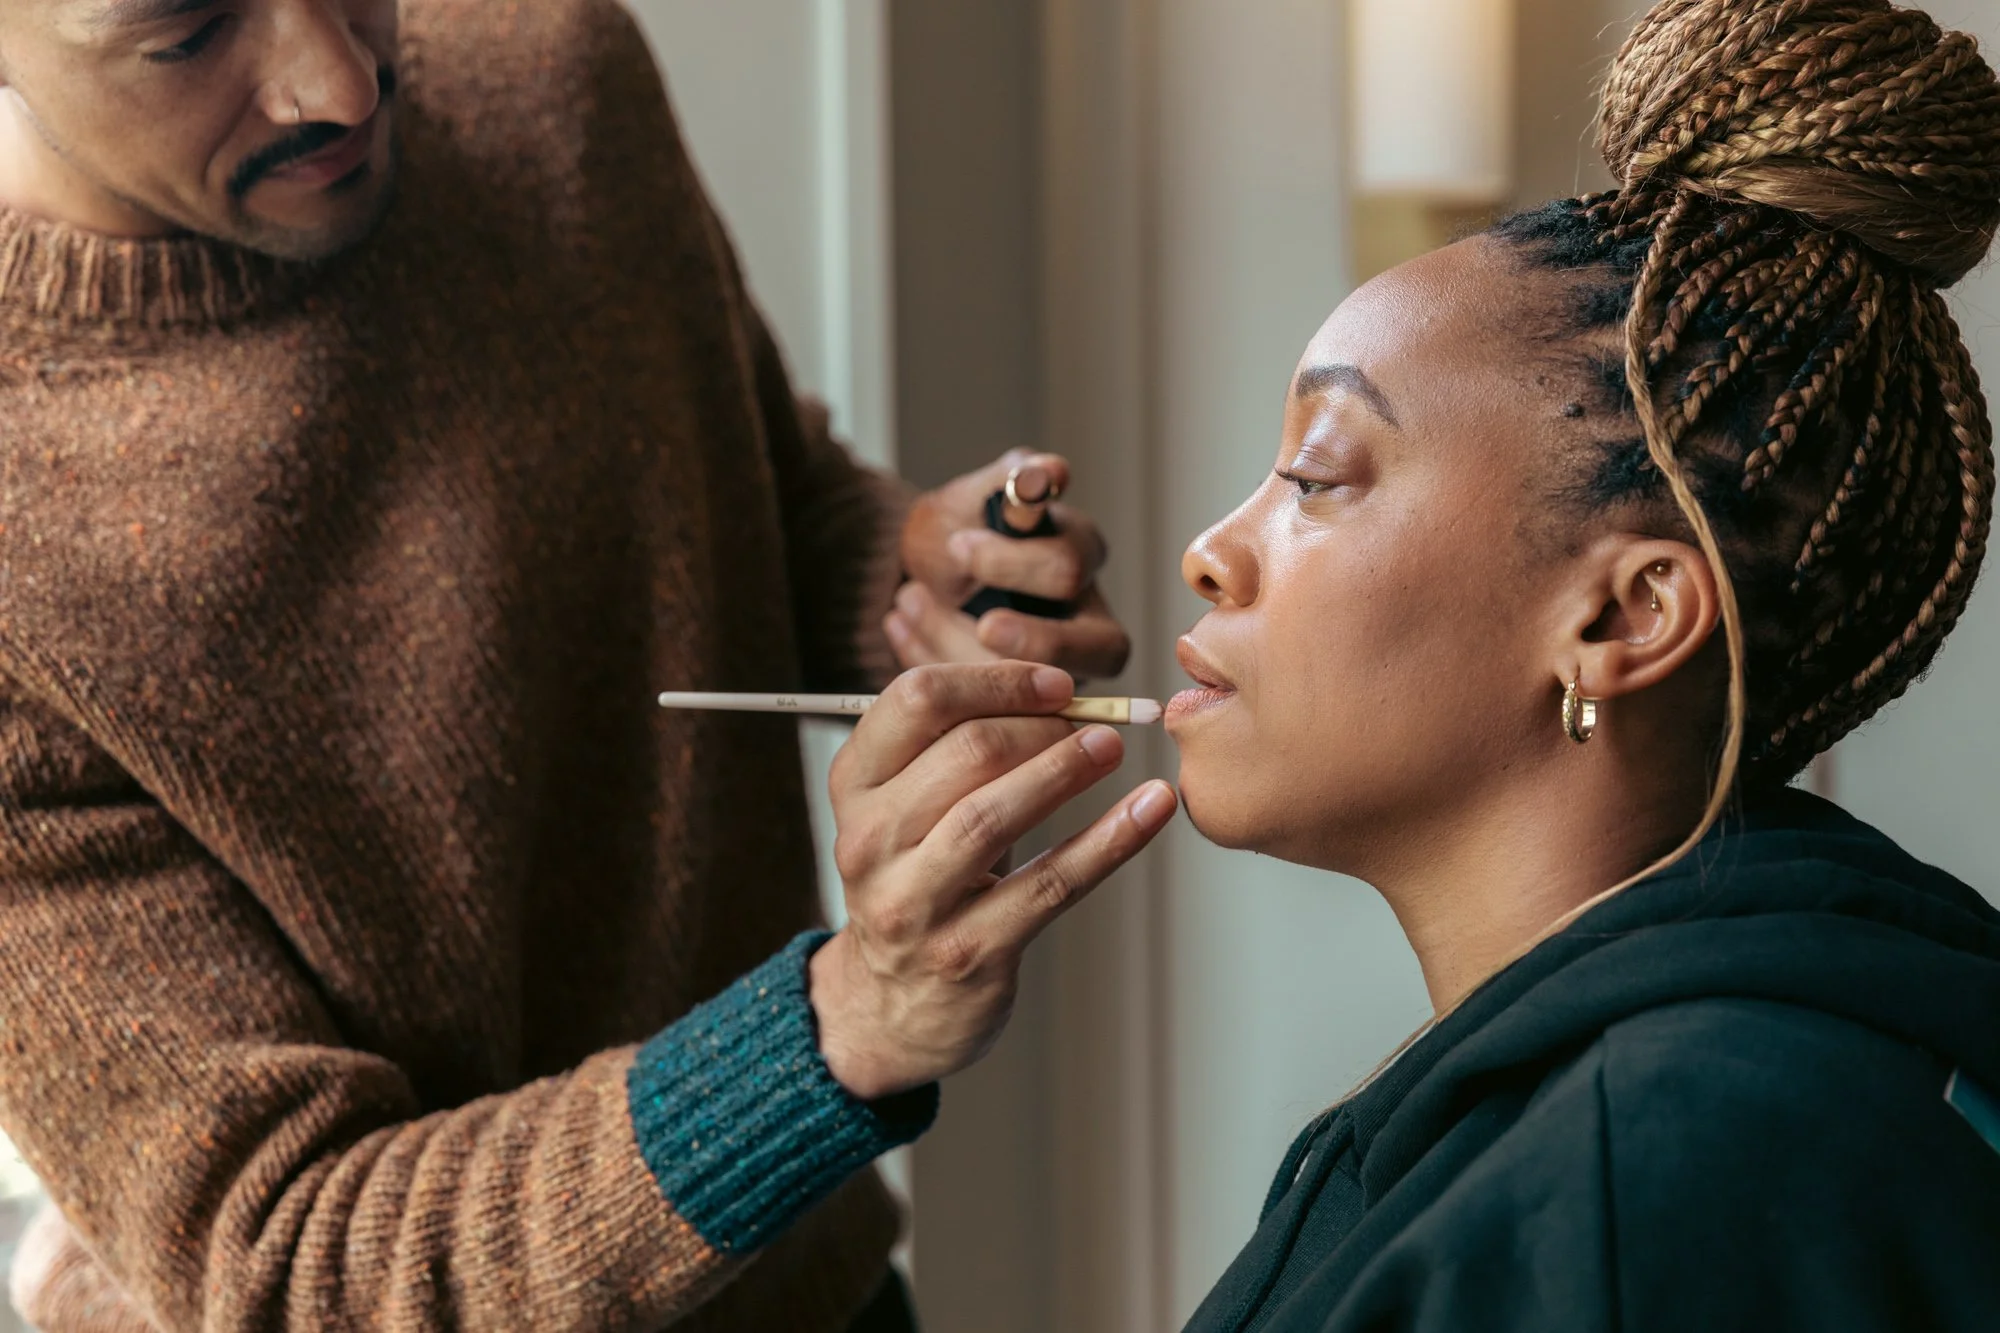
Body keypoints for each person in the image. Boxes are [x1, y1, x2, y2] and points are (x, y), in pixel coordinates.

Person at [0, 0, 1159, 1328]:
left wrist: (917, 595)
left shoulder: (547, 63)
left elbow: (736, 489)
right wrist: (841, 1029)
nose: (343, 83)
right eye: (187, 31)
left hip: (820, 1299)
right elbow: (291, 1256)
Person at [1142, 1, 2000, 1327]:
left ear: (1624, 619)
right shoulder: (1711, 1093)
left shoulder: (1648, 1184)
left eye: (1316, 477)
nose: (1211, 554)